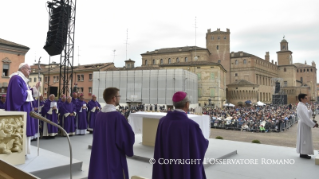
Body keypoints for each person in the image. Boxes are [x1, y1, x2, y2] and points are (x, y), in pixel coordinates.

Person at [152, 91, 209, 179]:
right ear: (187, 104)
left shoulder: (163, 122)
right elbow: (200, 146)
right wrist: (206, 142)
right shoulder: (191, 125)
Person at [88, 87, 135, 179]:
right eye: (118, 96)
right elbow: (125, 138)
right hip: (114, 156)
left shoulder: (99, 115)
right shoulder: (117, 117)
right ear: (114, 98)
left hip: (100, 153)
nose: (119, 98)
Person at [5, 63, 40, 154]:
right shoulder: (16, 78)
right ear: (22, 69)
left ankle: (23, 151)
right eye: (29, 69)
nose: (30, 71)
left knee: (25, 130)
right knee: (21, 130)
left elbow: (26, 93)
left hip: (25, 110)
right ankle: (19, 152)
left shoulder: (22, 80)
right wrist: (29, 92)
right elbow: (19, 96)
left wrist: (35, 88)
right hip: (20, 110)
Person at [296, 93, 318, 159]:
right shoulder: (300, 106)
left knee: (305, 138)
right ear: (301, 99)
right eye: (305, 98)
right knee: (304, 138)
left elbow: (307, 115)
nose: (307, 99)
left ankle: (304, 152)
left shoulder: (303, 106)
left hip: (305, 123)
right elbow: (305, 117)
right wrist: (313, 124)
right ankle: (303, 153)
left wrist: (311, 110)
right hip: (304, 124)